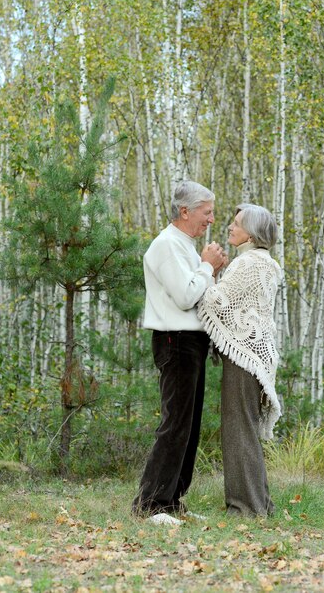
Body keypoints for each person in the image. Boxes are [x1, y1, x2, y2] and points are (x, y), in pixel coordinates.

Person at [132, 180, 226, 524]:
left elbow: (200, 294)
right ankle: (151, 503)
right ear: (184, 211)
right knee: (175, 424)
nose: (211, 219)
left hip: (192, 341)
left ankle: (172, 500)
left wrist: (209, 270)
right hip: (175, 340)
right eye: (207, 212)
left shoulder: (185, 245)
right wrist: (207, 266)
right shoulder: (166, 245)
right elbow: (186, 296)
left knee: (189, 426)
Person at [198, 203, 282, 517]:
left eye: (236, 224)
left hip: (245, 355)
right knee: (243, 427)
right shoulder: (262, 262)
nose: (230, 228)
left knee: (238, 429)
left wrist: (204, 270)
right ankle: (259, 504)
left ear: (251, 232)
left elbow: (215, 301)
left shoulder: (249, 263)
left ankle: (246, 507)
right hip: (253, 353)